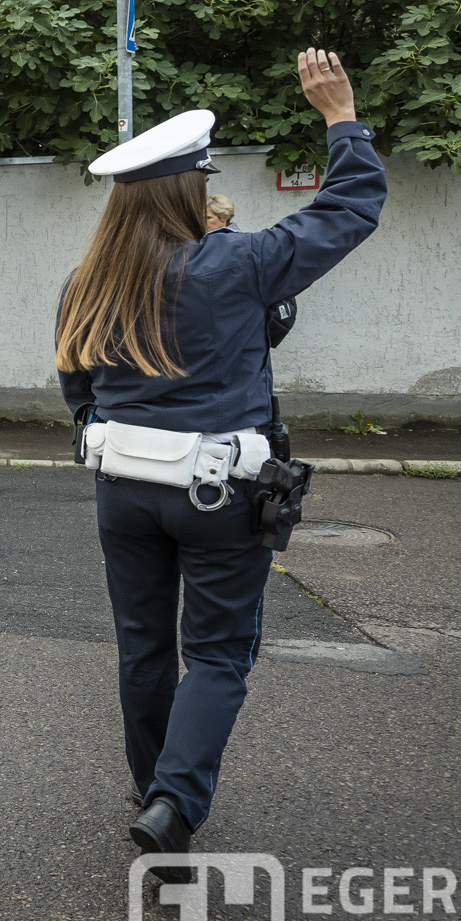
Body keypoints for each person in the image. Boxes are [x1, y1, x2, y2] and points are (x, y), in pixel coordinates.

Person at [56, 49, 384, 875]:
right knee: (217, 654)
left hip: (124, 491)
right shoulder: (234, 264)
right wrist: (341, 119)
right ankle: (175, 801)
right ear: (187, 192)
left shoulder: (86, 282)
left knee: (143, 646)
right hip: (219, 492)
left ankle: (151, 788)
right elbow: (350, 209)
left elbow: (76, 385)